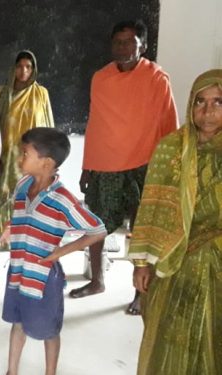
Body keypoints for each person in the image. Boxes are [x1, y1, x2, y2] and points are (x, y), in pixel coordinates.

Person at [74, 20, 178, 316]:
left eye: (128, 42)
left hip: (144, 164)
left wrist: (171, 169)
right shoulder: (101, 78)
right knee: (95, 225)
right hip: (106, 164)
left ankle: (139, 293)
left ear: (142, 46)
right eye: (117, 42)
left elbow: (170, 127)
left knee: (140, 228)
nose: (121, 48)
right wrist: (87, 165)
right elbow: (96, 123)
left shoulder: (157, 79)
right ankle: (97, 281)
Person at [130, 69, 222, 375]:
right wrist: (141, 262)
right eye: (200, 102)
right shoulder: (171, 148)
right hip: (173, 264)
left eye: (218, 102)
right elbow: (151, 208)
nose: (208, 111)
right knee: (168, 339)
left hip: (218, 264)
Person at [1, 128, 107, 375]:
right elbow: (21, 214)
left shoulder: (62, 200)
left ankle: (51, 372)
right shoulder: (23, 184)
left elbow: (98, 230)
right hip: (18, 270)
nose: (20, 158)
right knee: (17, 321)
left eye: (25, 153)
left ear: (46, 163)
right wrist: (11, 227)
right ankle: (11, 371)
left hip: (43, 278)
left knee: (48, 330)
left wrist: (60, 252)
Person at [0, 50, 54, 235]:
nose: (23, 70)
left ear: (33, 69)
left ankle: (29, 236)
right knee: (6, 195)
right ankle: (2, 236)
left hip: (35, 158)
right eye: (19, 66)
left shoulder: (41, 94)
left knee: (32, 195)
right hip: (8, 157)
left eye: (28, 66)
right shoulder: (2, 94)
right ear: (13, 68)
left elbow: (49, 126)